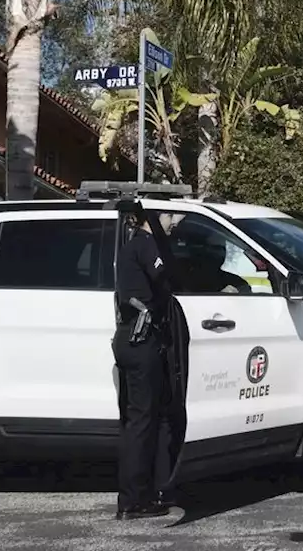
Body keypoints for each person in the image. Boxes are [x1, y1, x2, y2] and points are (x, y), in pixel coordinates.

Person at [112, 208, 174, 520]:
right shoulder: (147, 244)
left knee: (149, 418)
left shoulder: (133, 245)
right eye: (169, 217)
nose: (173, 223)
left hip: (133, 338)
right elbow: (165, 280)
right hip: (142, 339)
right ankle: (133, 501)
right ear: (154, 217)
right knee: (142, 421)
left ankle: (153, 490)